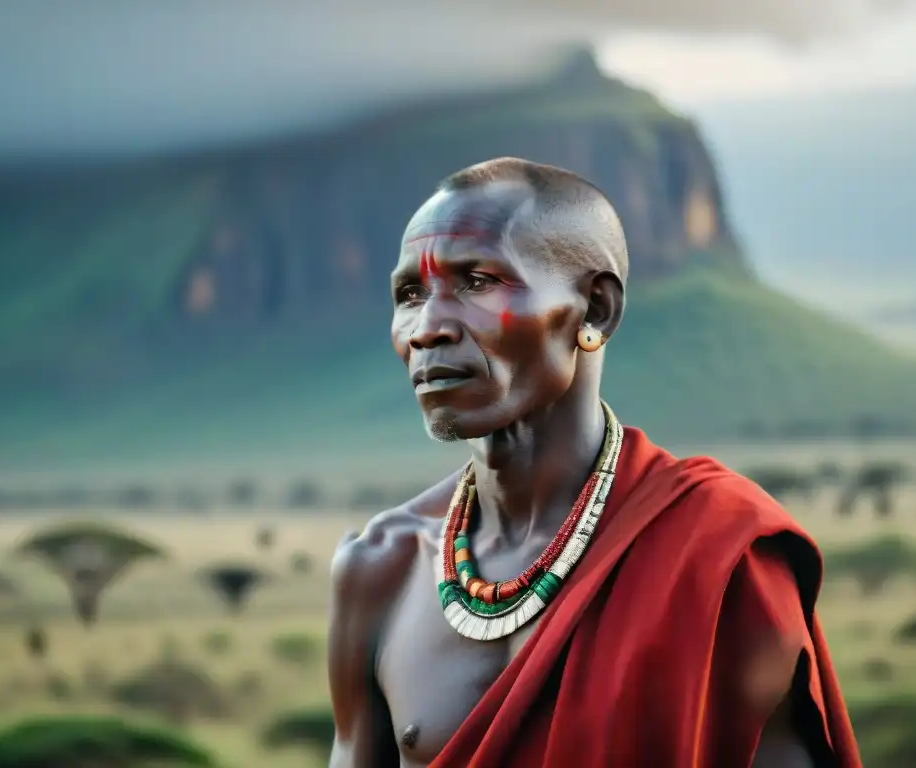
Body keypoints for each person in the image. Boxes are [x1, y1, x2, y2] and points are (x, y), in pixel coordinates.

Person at [327, 157, 861, 768]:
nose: (427, 328)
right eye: (410, 294)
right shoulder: (380, 567)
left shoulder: (718, 554)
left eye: (477, 281)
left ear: (596, 310)